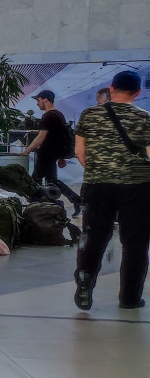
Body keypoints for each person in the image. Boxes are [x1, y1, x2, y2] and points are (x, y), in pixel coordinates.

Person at [72, 71, 150, 311]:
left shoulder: (89, 114)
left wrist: (98, 171)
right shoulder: (144, 118)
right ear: (137, 92)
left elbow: (79, 152)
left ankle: (84, 282)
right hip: (136, 186)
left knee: (93, 236)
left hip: (97, 186)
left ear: (112, 88)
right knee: (135, 242)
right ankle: (130, 298)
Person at [21, 90, 83, 215]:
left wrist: (27, 151)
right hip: (52, 154)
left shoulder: (47, 116)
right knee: (52, 181)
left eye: (38, 100)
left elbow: (41, 137)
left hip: (45, 154)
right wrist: (61, 157)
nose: (37, 104)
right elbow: (62, 137)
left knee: (35, 182)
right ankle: (75, 200)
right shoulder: (59, 115)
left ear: (45, 100)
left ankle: (40, 208)